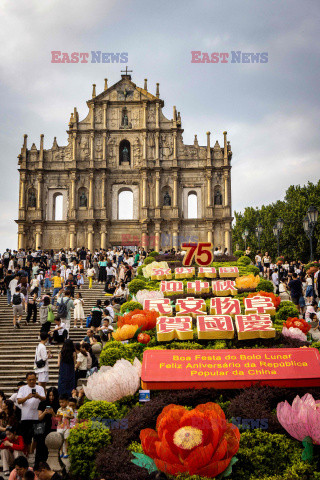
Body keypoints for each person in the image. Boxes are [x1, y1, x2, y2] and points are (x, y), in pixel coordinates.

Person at [17, 373, 45, 454]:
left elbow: (44, 399)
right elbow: (19, 401)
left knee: (38, 436)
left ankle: (33, 452)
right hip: (26, 417)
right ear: (27, 380)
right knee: (26, 437)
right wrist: (27, 397)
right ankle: (28, 453)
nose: (32, 381)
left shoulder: (40, 388)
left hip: (38, 417)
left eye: (33, 379)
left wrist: (38, 396)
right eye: (30, 380)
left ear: (36, 379)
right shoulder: (22, 389)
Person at [35, 387, 59, 465]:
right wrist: (45, 412)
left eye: (53, 395)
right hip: (41, 426)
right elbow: (39, 418)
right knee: (40, 446)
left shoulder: (58, 404)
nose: (51, 397)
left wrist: (52, 413)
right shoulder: (42, 403)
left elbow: (58, 420)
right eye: (50, 395)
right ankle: (38, 464)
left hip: (52, 426)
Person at [56, 394, 73, 459]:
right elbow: (57, 417)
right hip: (60, 426)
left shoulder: (69, 409)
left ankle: (66, 452)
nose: (61, 404)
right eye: (60, 402)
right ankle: (61, 452)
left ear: (66, 402)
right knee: (60, 439)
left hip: (67, 426)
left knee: (66, 439)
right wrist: (58, 418)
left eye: (63, 402)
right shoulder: (59, 409)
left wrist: (68, 416)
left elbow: (72, 416)